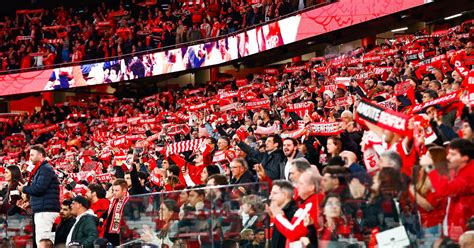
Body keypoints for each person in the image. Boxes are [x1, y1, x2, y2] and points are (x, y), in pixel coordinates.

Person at [425, 138, 474, 242]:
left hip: (466, 233)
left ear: (465, 158)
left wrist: (430, 168)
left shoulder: (470, 174)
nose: (448, 157)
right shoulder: (455, 170)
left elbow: (445, 190)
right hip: (453, 226)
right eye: (448, 153)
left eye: (453, 154)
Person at [18, 145, 60, 247]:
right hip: (43, 209)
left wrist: (24, 189)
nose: (30, 157)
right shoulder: (42, 168)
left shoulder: (45, 168)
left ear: (40, 155)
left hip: (45, 211)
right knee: (43, 241)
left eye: (32, 155)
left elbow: (39, 189)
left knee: (43, 242)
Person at [270, 168, 320, 247]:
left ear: (311, 187)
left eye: (301, 183)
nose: (297, 186)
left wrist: (278, 216)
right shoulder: (306, 204)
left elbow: (294, 233)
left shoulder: (312, 204)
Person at [269, 180, 297, 248]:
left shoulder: (295, 213)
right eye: (270, 193)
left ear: (285, 194)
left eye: (274, 193)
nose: (270, 197)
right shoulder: (278, 211)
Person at [101, 179, 129, 246]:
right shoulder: (113, 200)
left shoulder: (129, 201)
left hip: (120, 235)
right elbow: (109, 212)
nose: (114, 192)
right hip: (109, 232)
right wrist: (102, 217)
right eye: (113, 190)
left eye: (117, 190)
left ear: (124, 190)